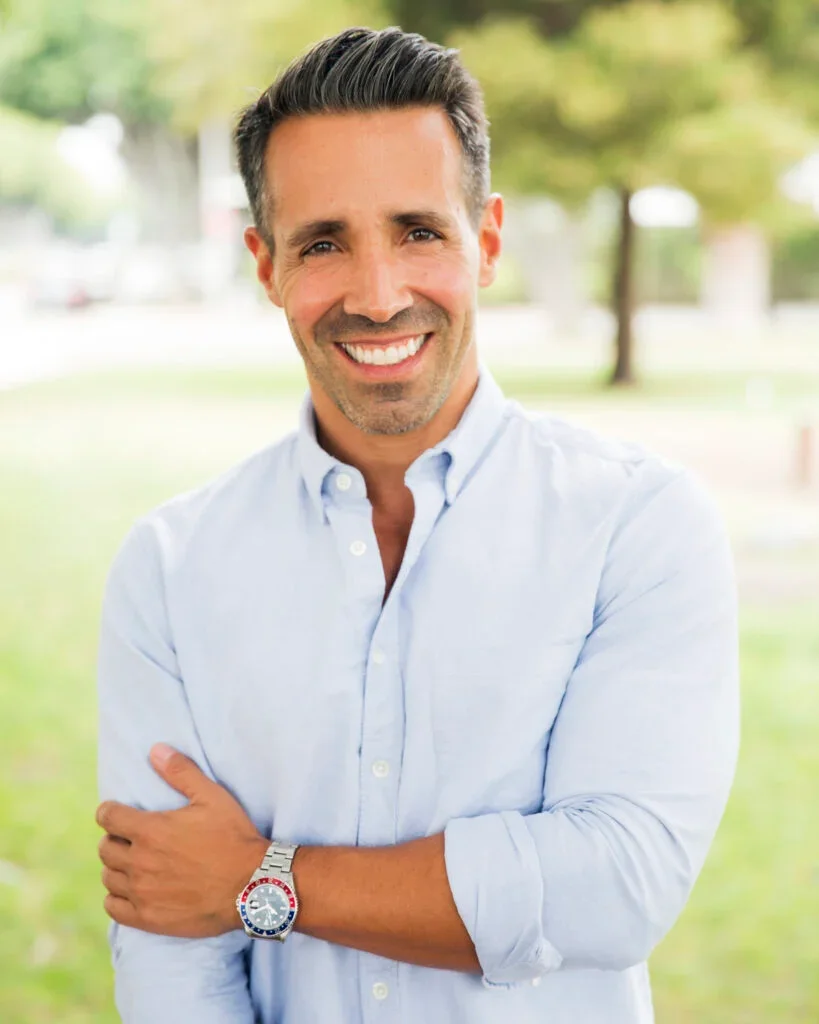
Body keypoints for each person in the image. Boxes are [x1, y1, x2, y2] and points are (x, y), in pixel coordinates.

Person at [95, 25, 739, 1024]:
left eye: (418, 231)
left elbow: (615, 882)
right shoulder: (170, 568)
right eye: (322, 243)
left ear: (485, 237)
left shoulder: (638, 525)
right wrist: (217, 886)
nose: (379, 294)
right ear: (265, 264)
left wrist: (256, 879)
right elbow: (166, 932)